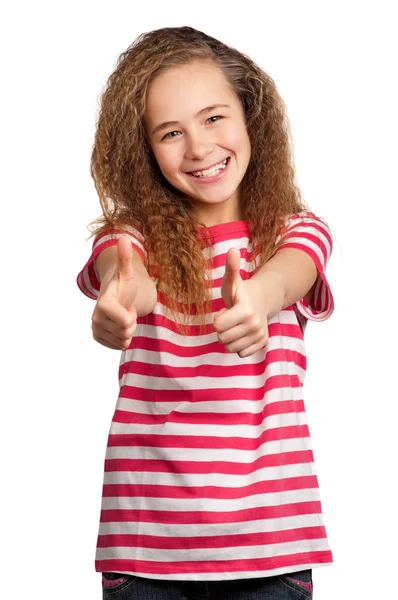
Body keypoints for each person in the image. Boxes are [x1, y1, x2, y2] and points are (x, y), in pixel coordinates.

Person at [77, 25, 334, 600]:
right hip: (147, 549)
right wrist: (118, 303)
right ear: (144, 150)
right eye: (171, 132)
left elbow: (294, 270)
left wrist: (260, 298)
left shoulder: (292, 234)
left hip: (271, 547)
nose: (197, 148)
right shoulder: (129, 236)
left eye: (214, 118)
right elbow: (128, 278)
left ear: (250, 118)